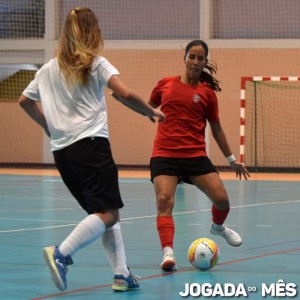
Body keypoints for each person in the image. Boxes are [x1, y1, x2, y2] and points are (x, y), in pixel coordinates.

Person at [18, 7, 165, 292]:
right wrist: (150, 111)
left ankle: (121, 274)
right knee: (107, 214)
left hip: (62, 153)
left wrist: (48, 126)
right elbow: (124, 93)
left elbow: (24, 101)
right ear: (92, 32)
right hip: (91, 145)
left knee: (104, 211)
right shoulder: (96, 64)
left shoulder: (48, 69)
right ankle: (61, 253)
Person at [148, 39, 250, 272]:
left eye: (200, 58)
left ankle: (217, 228)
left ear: (205, 62)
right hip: (165, 153)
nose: (195, 61)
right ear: (184, 58)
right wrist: (149, 112)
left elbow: (216, 128)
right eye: (191, 57)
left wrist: (232, 160)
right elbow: (150, 105)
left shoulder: (207, 93)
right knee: (164, 201)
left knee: (222, 200)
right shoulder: (165, 84)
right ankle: (168, 253)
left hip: (194, 155)